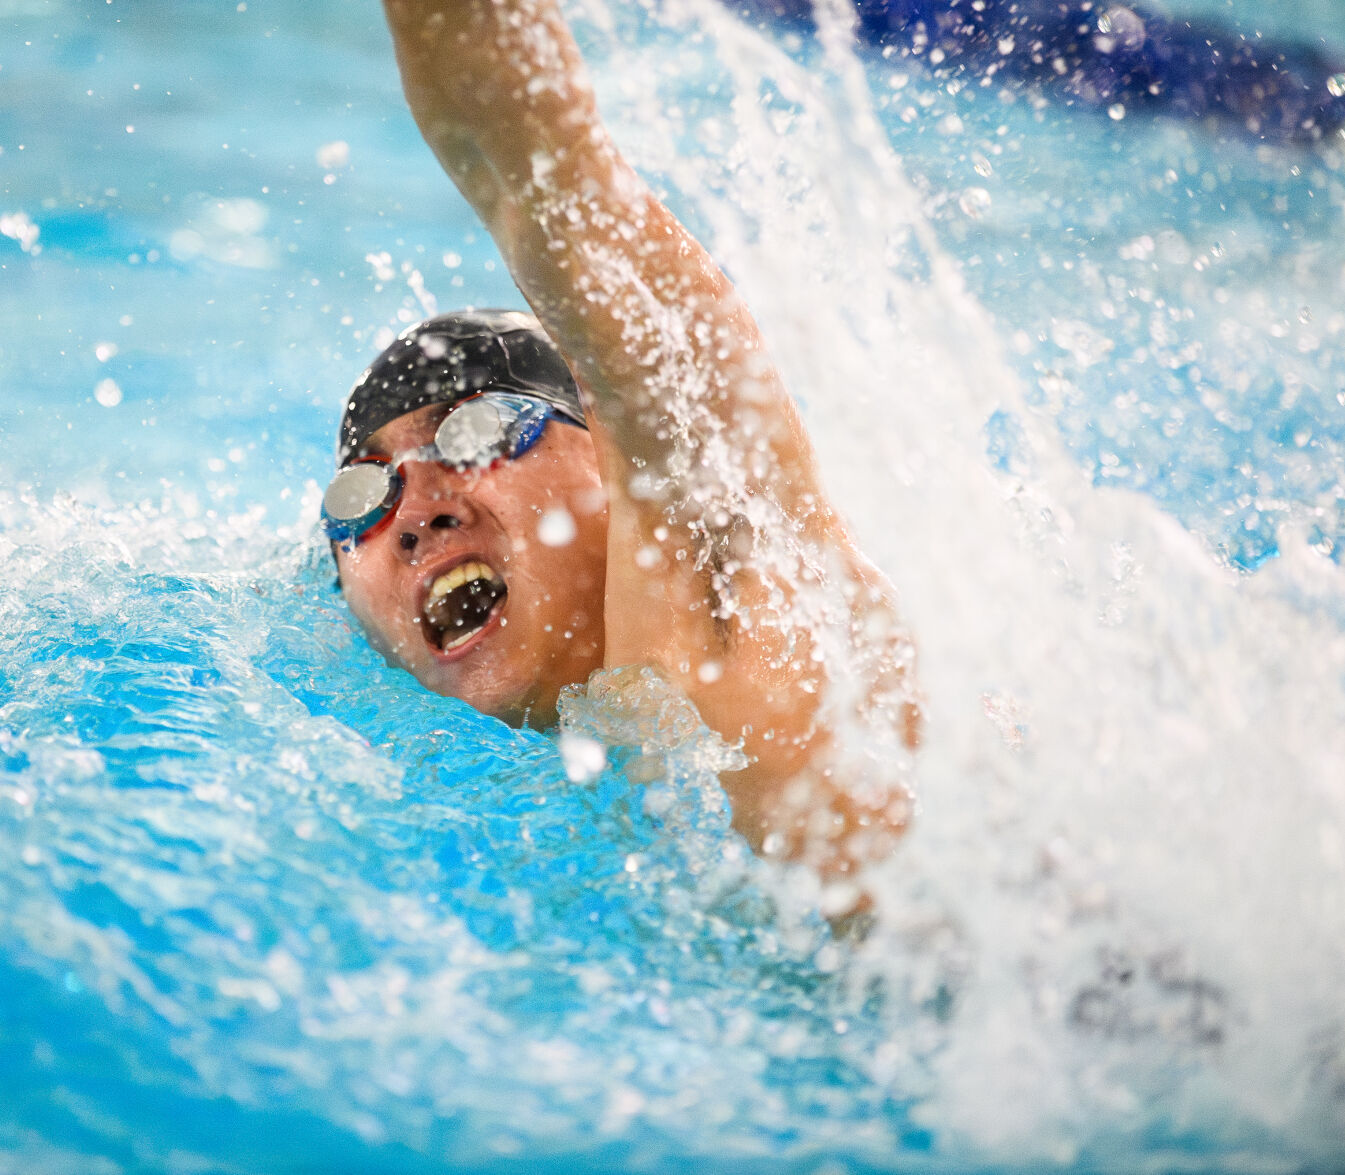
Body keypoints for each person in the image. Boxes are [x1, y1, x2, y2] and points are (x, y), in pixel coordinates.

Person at [326, 0, 921, 896]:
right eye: (360, 495)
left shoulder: (740, 598)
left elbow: (530, 166)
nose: (414, 509)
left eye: (478, 430)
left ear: (606, 443)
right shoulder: (539, 798)